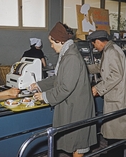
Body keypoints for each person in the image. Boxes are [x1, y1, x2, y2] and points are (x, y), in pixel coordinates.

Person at [29, 22, 97, 157]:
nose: (51, 46)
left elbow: (66, 87)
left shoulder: (71, 57)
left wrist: (45, 96)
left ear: (59, 40)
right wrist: (39, 85)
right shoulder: (67, 54)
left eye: (52, 43)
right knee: (74, 143)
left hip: (77, 108)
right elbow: (58, 78)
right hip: (73, 105)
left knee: (78, 144)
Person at [87, 30, 126, 157]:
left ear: (98, 41)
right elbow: (100, 67)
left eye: (94, 45)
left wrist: (97, 88)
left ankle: (114, 155)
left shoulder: (112, 51)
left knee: (116, 132)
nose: (95, 48)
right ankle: (111, 153)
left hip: (118, 98)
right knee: (114, 131)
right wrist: (83, 67)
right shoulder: (109, 50)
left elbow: (116, 75)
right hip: (115, 96)